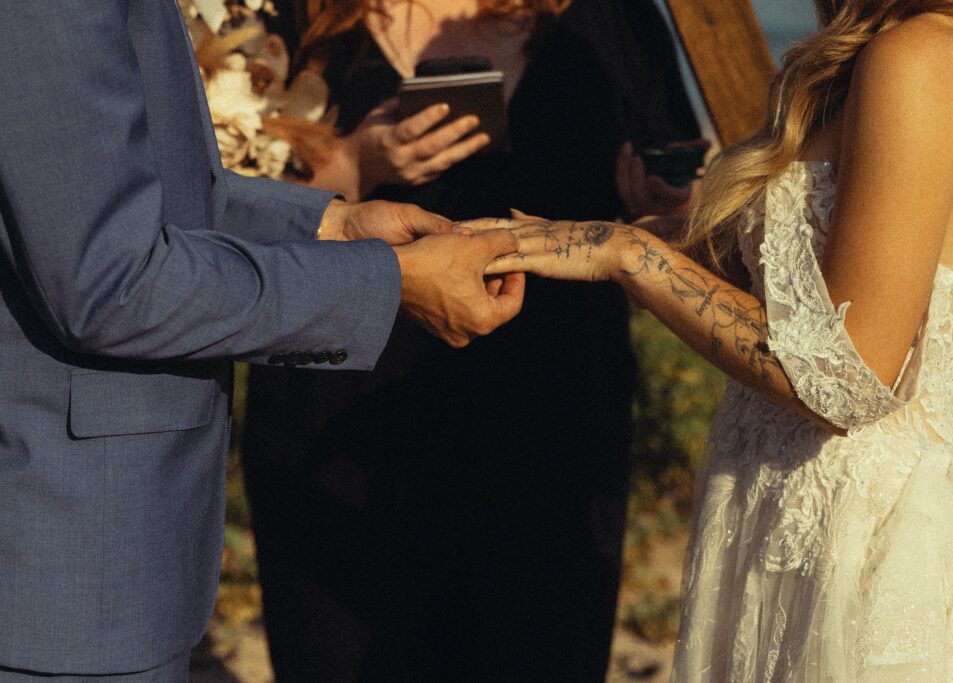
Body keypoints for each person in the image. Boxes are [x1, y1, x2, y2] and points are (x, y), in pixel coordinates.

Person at [482, 0, 953, 679]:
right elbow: (815, 280)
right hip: (804, 513)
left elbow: (848, 377)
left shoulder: (919, 59)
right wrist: (605, 238)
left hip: (858, 541)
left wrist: (626, 254)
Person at [0, 3, 524, 681]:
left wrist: (334, 228)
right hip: (61, 567)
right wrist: (384, 283)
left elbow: (169, 200)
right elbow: (113, 281)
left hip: (97, 563)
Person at [240, 0, 701, 680]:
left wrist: (663, 202)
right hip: (335, 436)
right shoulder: (300, 20)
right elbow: (225, 223)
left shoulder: (608, 17)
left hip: (551, 438)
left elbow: (682, 192)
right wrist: (355, 163)